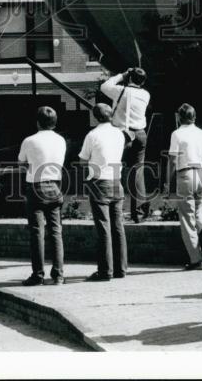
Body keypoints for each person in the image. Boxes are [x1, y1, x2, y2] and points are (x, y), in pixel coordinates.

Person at [166, 104, 202, 270]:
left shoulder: (177, 134)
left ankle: (196, 260)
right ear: (194, 117)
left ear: (179, 118)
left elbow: (173, 160)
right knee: (197, 211)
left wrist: (169, 183)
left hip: (186, 174)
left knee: (187, 218)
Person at [18, 106, 67, 286]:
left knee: (37, 232)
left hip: (36, 186)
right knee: (56, 231)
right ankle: (59, 275)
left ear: (37, 122)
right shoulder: (61, 140)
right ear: (54, 123)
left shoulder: (29, 141)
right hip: (55, 185)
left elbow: (21, 162)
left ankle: (38, 275)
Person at [79, 103, 128, 281]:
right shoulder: (119, 134)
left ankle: (105, 271)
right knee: (118, 226)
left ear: (95, 117)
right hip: (117, 181)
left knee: (103, 228)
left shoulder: (92, 135)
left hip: (99, 182)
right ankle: (121, 269)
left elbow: (83, 160)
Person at [100, 68, 150, 221]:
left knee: (112, 167)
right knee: (138, 170)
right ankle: (139, 212)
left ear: (129, 78)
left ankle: (111, 206)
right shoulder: (146, 94)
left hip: (122, 134)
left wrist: (122, 75)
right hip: (140, 133)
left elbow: (104, 86)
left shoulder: (120, 90)